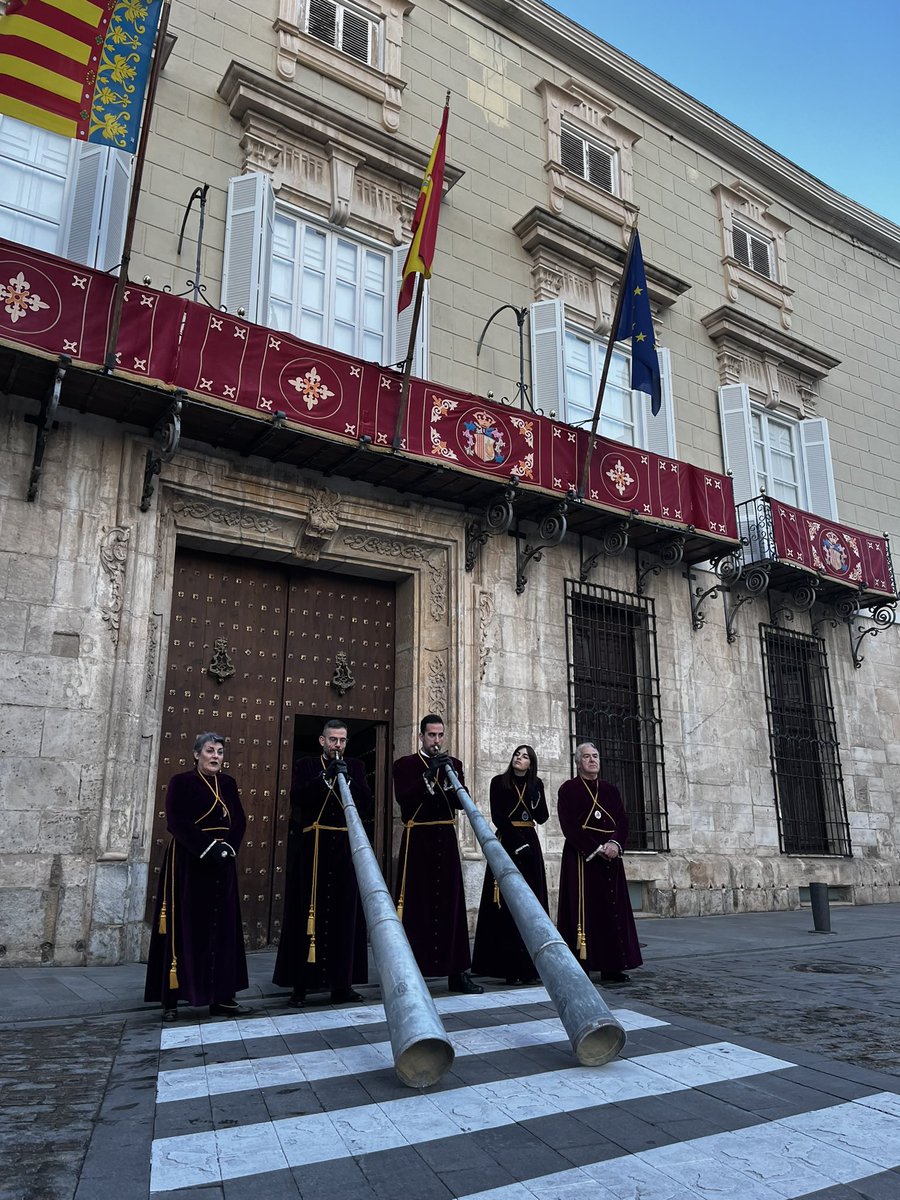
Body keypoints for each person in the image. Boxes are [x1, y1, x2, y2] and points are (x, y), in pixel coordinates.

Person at [144, 732, 252, 1021]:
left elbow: (239, 818)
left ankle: (222, 998)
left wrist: (228, 847)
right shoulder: (181, 782)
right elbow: (176, 821)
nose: (215, 756)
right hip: (190, 863)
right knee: (185, 928)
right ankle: (172, 999)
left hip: (223, 863)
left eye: (219, 751)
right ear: (196, 754)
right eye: (209, 751)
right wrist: (207, 849)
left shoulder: (228, 783)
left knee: (222, 929)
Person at [273, 719, 373, 1006]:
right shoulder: (307, 765)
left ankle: (342, 984)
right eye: (332, 740)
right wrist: (324, 778)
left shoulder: (355, 767)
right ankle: (300, 986)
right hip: (313, 848)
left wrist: (348, 780)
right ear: (322, 740)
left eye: (342, 740)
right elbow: (298, 797)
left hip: (344, 848)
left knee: (345, 915)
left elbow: (366, 804)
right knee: (305, 914)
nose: (337, 745)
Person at [392, 714, 483, 994]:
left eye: (440, 735)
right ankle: (412, 972)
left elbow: (460, 802)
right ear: (421, 736)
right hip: (418, 840)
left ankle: (457, 973)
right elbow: (404, 799)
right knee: (418, 907)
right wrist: (428, 776)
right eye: (431, 735)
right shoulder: (405, 765)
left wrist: (450, 779)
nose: (436, 741)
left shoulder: (452, 764)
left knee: (451, 906)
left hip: (445, 840)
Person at [556, 741, 643, 983]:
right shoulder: (569, 789)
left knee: (610, 911)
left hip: (611, 859)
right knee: (583, 911)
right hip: (582, 859)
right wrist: (594, 848)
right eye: (586, 757)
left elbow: (622, 821)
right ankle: (581, 965)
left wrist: (615, 845)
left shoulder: (611, 790)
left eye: (595, 756)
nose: (592, 760)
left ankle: (612, 965)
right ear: (577, 762)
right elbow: (569, 825)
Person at [472, 744, 549, 984]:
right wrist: (516, 843)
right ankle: (508, 967)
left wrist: (537, 799)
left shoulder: (536, 785)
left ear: (531, 763)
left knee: (531, 900)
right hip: (508, 842)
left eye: (525, 756)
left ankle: (530, 966)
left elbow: (542, 818)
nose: (519, 758)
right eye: (517, 754)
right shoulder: (498, 782)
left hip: (531, 844)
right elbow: (499, 816)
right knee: (504, 904)